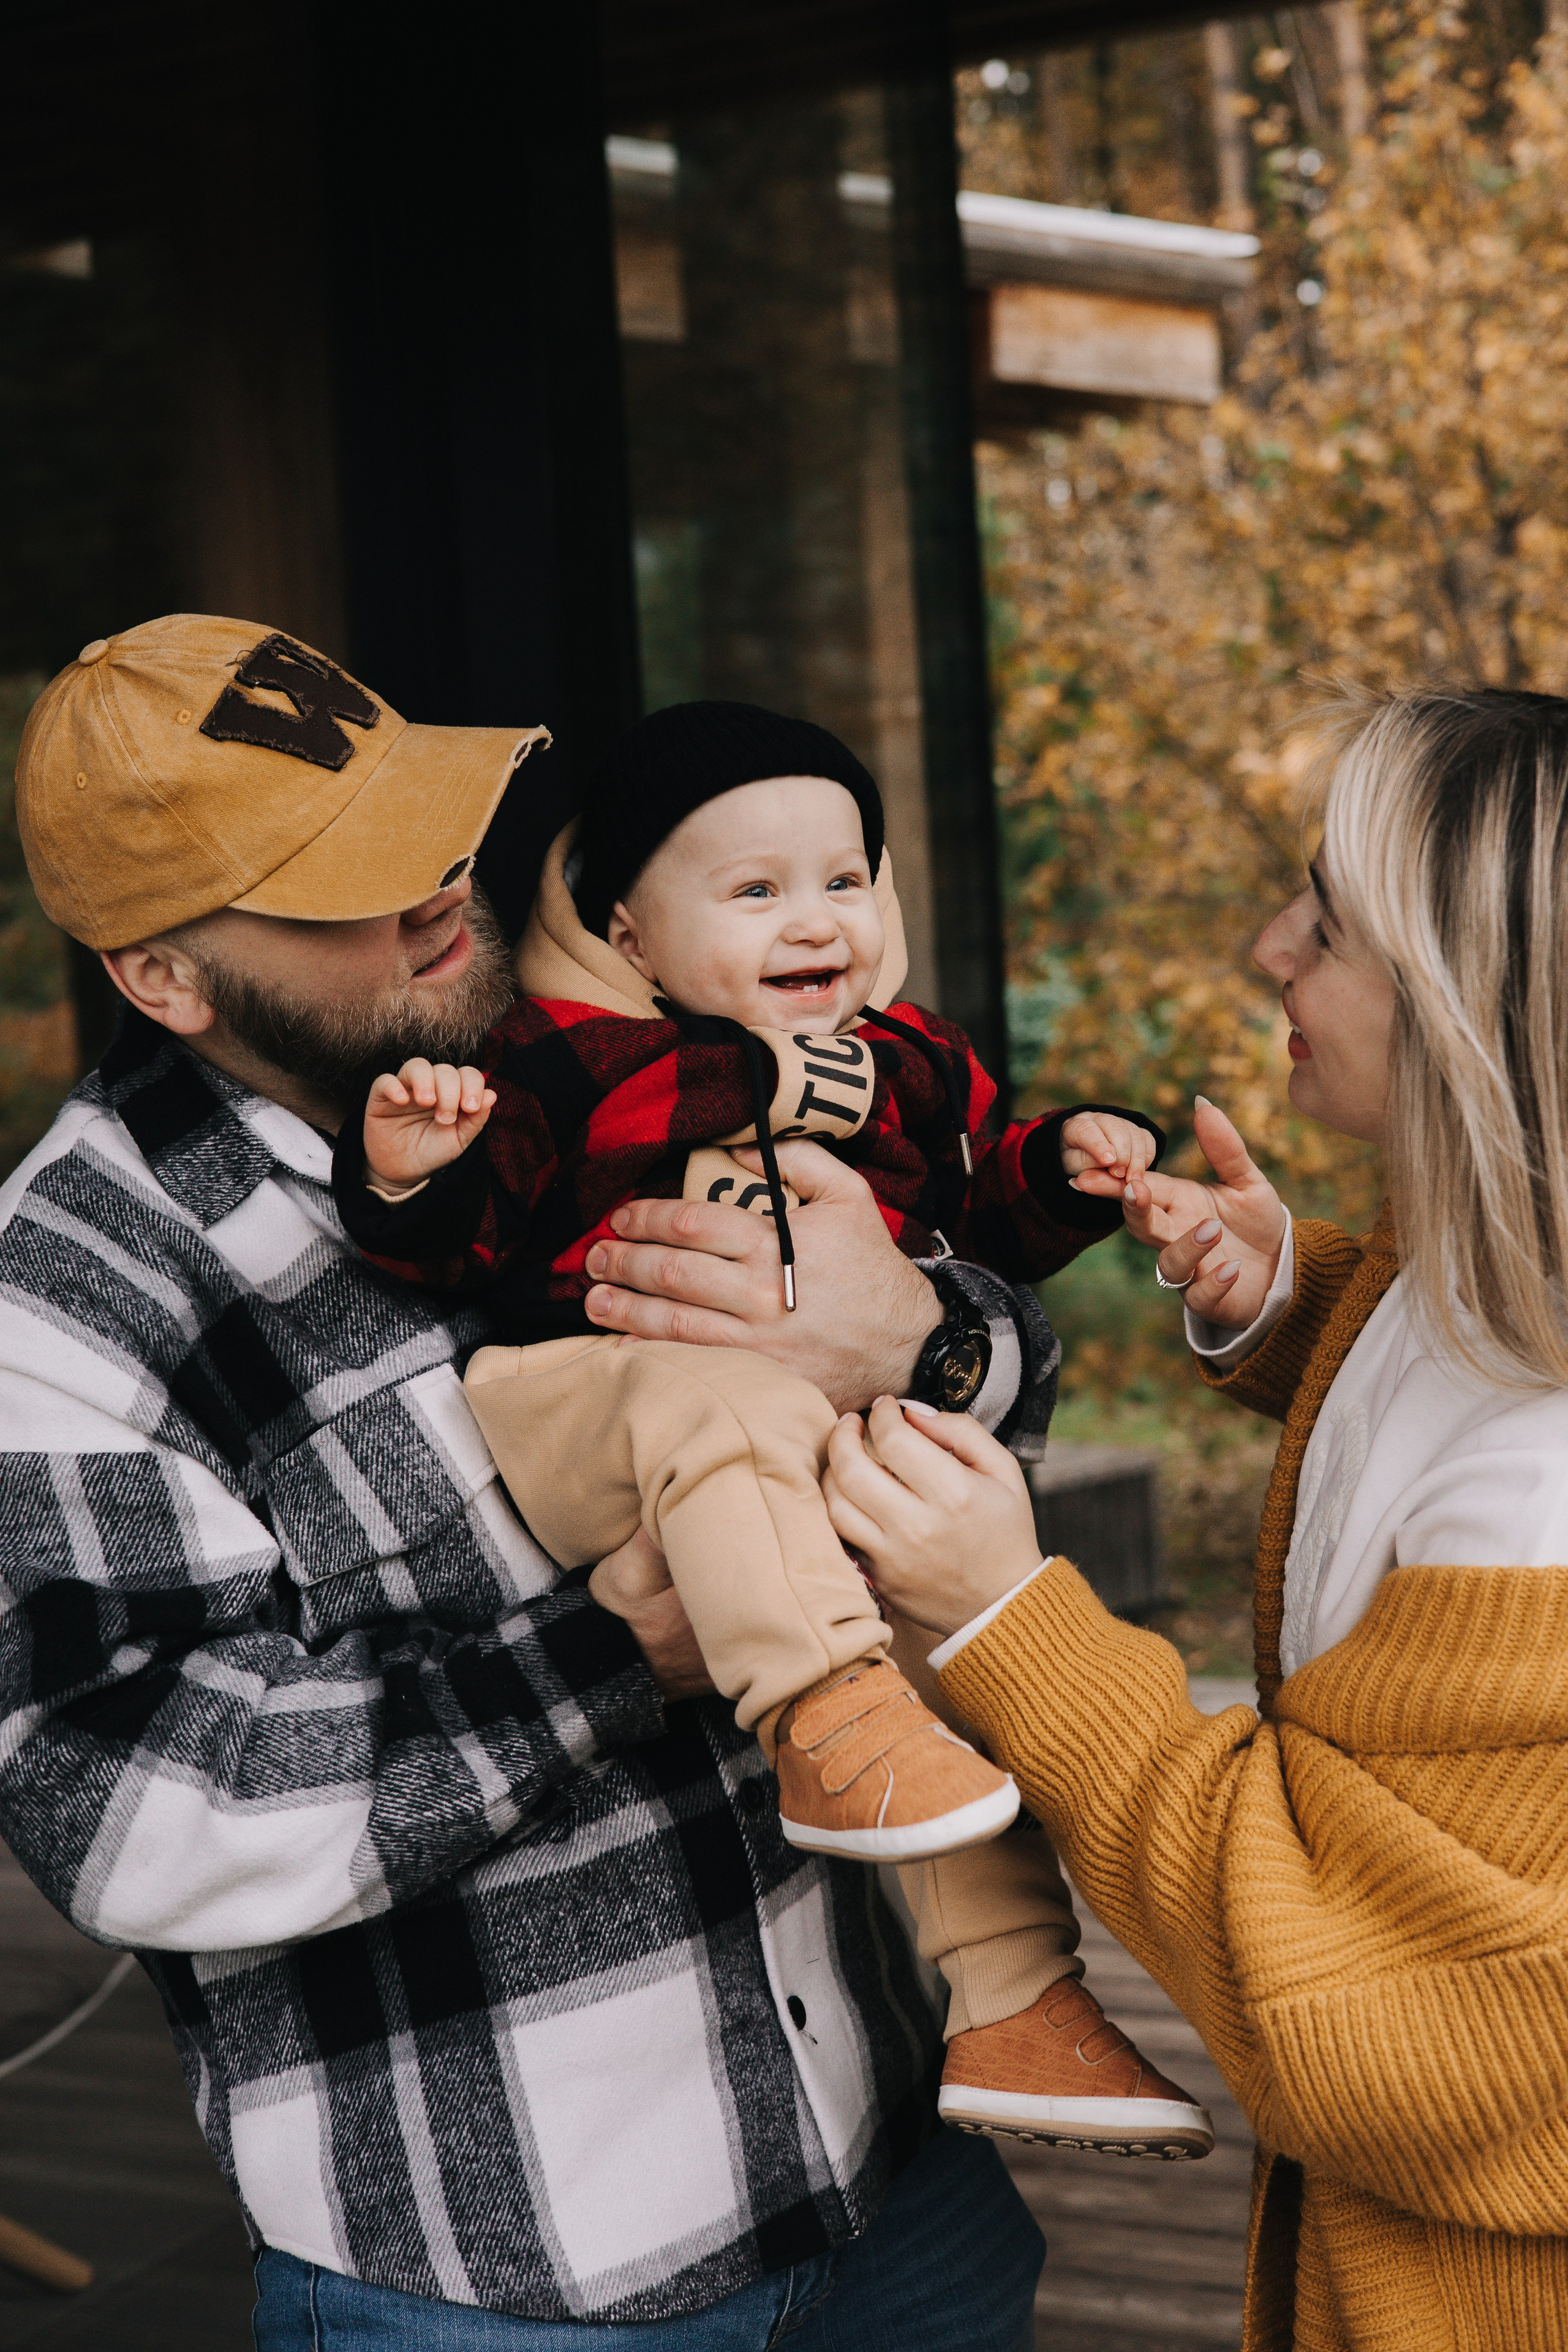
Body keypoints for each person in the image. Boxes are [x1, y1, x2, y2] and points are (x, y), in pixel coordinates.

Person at [0, 614, 1058, 2350]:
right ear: (164, 978)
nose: (436, 889)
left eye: (426, 824)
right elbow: (136, 1815)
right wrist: (609, 1661)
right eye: (346, 877)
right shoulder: (70, 1295)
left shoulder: (615, 1061)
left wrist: (928, 1338)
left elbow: (976, 1366)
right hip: (515, 2280)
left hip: (898, 2168)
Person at [334, 701, 1212, 2162]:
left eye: (843, 879)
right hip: (593, 1410)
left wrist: (1059, 1166)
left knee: (943, 1665)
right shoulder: (569, 1061)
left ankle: (1021, 2003)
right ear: (624, 930)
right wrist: (407, 1174)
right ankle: (823, 1721)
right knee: (723, 1400)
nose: (815, 920)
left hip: (792, 1453)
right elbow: (460, 1251)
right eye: (753, 892)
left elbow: (980, 1214)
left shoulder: (912, 1068)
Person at [819, 684, 1568, 2346]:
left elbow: (1366, 2010)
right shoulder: (1474, 1293)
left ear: (1473, 1001)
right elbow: (1448, 1408)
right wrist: (1296, 1301)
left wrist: (1020, 1627)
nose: (1264, 946)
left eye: (1330, 917)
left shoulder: (1543, 1510)